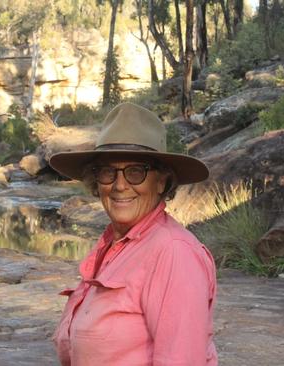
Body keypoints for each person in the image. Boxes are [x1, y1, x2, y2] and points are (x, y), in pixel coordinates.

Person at [49, 102, 218, 366]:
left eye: (136, 172)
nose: (119, 185)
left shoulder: (174, 252)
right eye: (108, 171)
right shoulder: (115, 244)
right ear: (96, 180)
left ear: (161, 181)